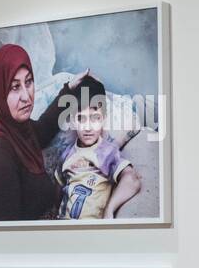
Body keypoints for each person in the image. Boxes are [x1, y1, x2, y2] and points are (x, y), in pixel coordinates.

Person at [0, 43, 92, 221]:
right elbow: (6, 239)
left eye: (28, 82)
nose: (26, 96)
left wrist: (69, 90)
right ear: (0, 92)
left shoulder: (16, 130)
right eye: (15, 87)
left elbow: (42, 130)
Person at [55, 75, 142, 219]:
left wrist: (110, 209)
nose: (88, 127)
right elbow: (58, 189)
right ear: (72, 120)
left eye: (95, 118)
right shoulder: (67, 154)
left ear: (103, 118)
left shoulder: (107, 152)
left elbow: (132, 180)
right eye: (81, 118)